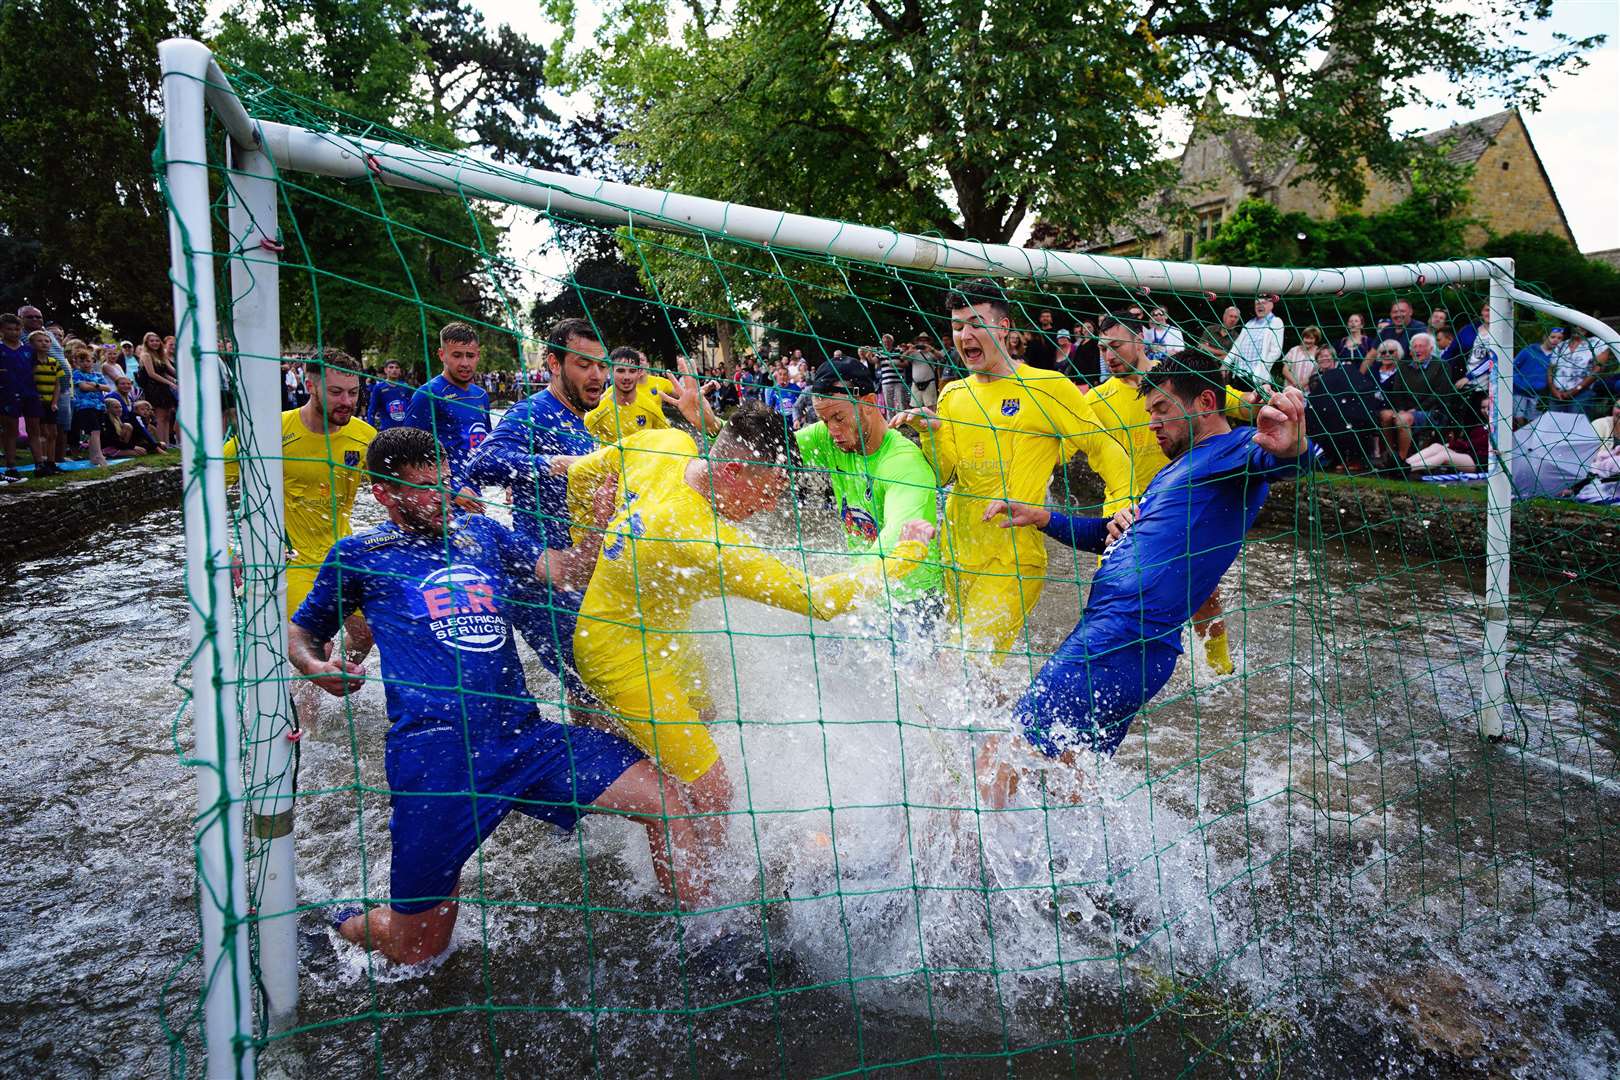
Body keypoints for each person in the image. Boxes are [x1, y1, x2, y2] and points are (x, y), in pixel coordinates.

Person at [290, 426, 716, 966]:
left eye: (446, 480)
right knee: (417, 948)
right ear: (382, 491)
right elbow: (303, 631)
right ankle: (337, 922)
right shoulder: (358, 554)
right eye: (425, 486)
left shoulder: (481, 534)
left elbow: (566, 571)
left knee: (668, 802)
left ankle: (708, 942)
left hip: (525, 737)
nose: (442, 495)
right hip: (436, 757)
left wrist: (600, 521)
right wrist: (316, 665)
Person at [566, 402, 929, 835]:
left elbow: (582, 468)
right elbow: (820, 601)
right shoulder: (709, 543)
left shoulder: (668, 443)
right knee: (714, 791)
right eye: (774, 486)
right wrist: (907, 554)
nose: (774, 503)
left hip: (666, 633)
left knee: (707, 717)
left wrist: (589, 529)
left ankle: (639, 781)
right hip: (617, 655)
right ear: (735, 470)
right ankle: (697, 889)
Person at [975, 358, 1314, 806]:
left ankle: (960, 868)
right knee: (1067, 774)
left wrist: (1293, 449)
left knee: (1003, 752)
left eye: (1160, 409)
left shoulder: (1233, 450)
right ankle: (1098, 867)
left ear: (1206, 402)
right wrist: (1042, 517)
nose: (1151, 422)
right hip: (1128, 642)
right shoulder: (1176, 469)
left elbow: (1277, 459)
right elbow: (1108, 538)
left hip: (1123, 635)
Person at [893, 277, 1097, 665]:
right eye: (957, 327)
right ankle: (1012, 726)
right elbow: (943, 475)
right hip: (957, 552)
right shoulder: (953, 393)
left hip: (1013, 558)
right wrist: (929, 433)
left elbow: (1103, 446)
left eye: (975, 323)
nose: (965, 335)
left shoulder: (1049, 386)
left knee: (964, 662)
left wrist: (1125, 503)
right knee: (963, 672)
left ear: (1003, 328)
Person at [1075, 313, 1255, 674]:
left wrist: (1269, 405)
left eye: (1116, 345)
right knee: (1114, 600)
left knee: (1203, 594)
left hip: (1183, 506)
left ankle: (1219, 672)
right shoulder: (1093, 402)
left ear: (1140, 340)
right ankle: (1113, 676)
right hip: (1123, 516)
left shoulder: (1174, 379)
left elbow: (1234, 404)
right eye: (1102, 348)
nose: (1109, 356)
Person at [462, 318, 618, 705]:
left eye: (601, 365)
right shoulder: (532, 412)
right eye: (583, 364)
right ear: (553, 363)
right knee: (599, 693)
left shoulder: (600, 417)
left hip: (592, 571)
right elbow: (481, 463)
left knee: (610, 691)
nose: (596, 375)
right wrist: (550, 463)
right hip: (544, 580)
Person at [223, 361, 378, 731]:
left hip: (341, 555)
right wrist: (230, 550)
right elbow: (208, 482)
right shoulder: (270, 431)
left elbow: (393, 489)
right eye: (336, 392)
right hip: (287, 558)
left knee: (365, 632)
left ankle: (333, 677)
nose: (346, 401)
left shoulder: (364, 436)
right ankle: (305, 729)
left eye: (353, 393)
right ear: (310, 385)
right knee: (315, 642)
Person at [795, 357, 944, 625]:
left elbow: (894, 537)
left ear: (869, 403)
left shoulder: (904, 463)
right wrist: (712, 425)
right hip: (863, 591)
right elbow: (771, 446)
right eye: (824, 420)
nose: (832, 430)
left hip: (912, 601)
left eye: (839, 418)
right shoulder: (830, 435)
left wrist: (837, 589)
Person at [403, 323, 492, 493]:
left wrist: (508, 483)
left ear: (478, 356)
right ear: (442, 355)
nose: (465, 363)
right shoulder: (428, 395)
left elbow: (487, 447)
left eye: (470, 356)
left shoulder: (481, 396)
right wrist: (452, 491)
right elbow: (407, 455)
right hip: (439, 499)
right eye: (457, 355)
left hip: (473, 496)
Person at [1306, 348, 1387, 472]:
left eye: (1327, 355)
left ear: (1334, 357)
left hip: (1349, 408)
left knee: (1350, 418)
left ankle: (1353, 458)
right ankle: (1329, 456)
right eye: (1321, 356)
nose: (1324, 358)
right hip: (1325, 412)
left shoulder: (1346, 370)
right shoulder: (1315, 378)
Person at [0, 314, 44, 482]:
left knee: (34, 429)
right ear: (2, 330)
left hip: (29, 393)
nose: (14, 332)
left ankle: (40, 464)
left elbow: (33, 370)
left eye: (17, 329)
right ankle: (11, 466)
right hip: (7, 393)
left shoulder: (28, 350)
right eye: (9, 329)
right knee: (10, 431)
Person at [1228, 296, 1285, 391]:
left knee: (1253, 405)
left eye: (1264, 303)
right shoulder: (1250, 323)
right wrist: (1226, 363)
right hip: (1240, 376)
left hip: (1257, 379)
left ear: (1271, 305)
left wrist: (1260, 372)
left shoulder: (1276, 322)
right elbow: (1236, 346)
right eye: (1257, 303)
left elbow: (1276, 352)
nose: (1260, 306)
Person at [69, 347, 112, 468]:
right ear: (76, 362)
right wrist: (97, 386)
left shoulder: (97, 375)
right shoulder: (76, 374)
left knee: (97, 430)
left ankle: (93, 456)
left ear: (92, 361)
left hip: (99, 406)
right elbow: (83, 387)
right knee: (94, 430)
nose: (85, 364)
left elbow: (107, 388)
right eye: (82, 361)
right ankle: (98, 455)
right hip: (85, 406)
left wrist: (95, 385)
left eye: (88, 361)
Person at [27, 332, 64, 476]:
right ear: (31, 344)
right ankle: (41, 463)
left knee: (53, 433)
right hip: (37, 402)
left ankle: (51, 461)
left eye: (47, 341)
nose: (44, 343)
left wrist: (54, 402)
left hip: (51, 403)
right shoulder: (31, 362)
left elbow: (58, 384)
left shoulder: (54, 362)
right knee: (42, 432)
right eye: (40, 341)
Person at [1510, 329, 1561, 427]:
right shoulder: (1529, 350)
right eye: (1553, 337)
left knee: (1534, 422)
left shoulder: (1556, 357)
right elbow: (1512, 368)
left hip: (1538, 395)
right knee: (1518, 419)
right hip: (1519, 392)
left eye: (1559, 338)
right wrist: (1522, 384)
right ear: (1545, 337)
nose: (1555, 340)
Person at [1548, 327, 1598, 415]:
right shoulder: (1561, 345)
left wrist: (1575, 390)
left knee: (1577, 425)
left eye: (1582, 326)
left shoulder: (1596, 344)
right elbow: (1550, 368)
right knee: (1555, 424)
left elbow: (1598, 370)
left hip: (1581, 394)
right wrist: (1553, 389)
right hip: (1556, 394)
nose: (1578, 328)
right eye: (1575, 326)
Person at [365, 359, 414, 431]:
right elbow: (372, 410)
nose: (394, 370)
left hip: (405, 429)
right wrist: (370, 429)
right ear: (385, 370)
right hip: (387, 430)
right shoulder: (378, 388)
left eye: (397, 367)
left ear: (400, 371)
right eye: (391, 367)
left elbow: (412, 409)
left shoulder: (406, 387)